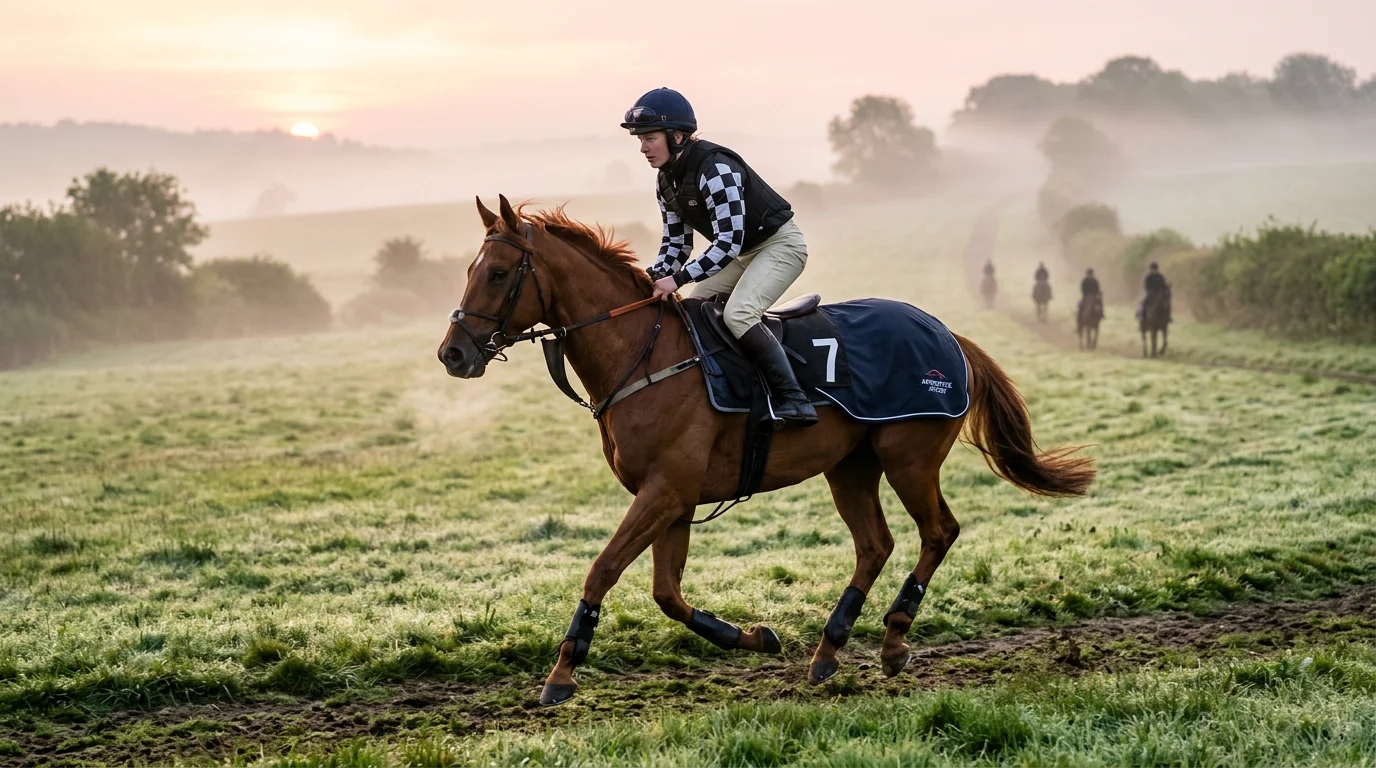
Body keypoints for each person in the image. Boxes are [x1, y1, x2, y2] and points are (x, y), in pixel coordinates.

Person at [621, 88, 816, 427]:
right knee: (695, 311)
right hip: (742, 254)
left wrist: (679, 279)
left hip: (779, 247)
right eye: (640, 139)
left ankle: (793, 398)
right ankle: (726, 392)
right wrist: (655, 276)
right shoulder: (665, 180)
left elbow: (727, 242)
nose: (643, 148)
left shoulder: (716, 169)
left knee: (739, 314)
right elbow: (676, 243)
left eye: (649, 138)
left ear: (677, 136)